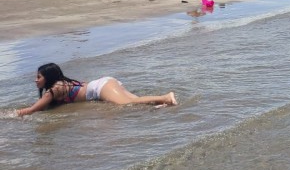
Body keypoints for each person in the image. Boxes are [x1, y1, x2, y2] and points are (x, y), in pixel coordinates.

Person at [15, 63, 176, 116]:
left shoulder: (54, 90)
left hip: (101, 88)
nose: (35, 80)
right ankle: (164, 103)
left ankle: (166, 97)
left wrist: (9, 114)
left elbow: (30, 111)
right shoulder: (60, 85)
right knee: (134, 101)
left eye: (39, 77)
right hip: (104, 84)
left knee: (127, 104)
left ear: (48, 78)